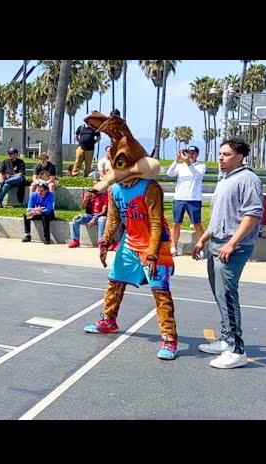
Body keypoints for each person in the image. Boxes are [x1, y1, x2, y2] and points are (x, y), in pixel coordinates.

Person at [82, 111, 178, 361]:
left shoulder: (149, 188)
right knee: (114, 281)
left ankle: (169, 338)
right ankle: (108, 321)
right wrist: (104, 242)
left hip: (154, 244)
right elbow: (114, 219)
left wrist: (153, 253)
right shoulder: (115, 189)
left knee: (160, 291)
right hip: (129, 243)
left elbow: (156, 223)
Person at [192, 138, 264, 369]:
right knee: (221, 295)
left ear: (240, 156)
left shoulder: (248, 179)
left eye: (226, 154)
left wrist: (232, 243)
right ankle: (226, 340)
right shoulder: (226, 179)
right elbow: (219, 217)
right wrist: (203, 238)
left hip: (232, 248)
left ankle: (237, 351)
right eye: (220, 154)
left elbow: (253, 215)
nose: (220, 158)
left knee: (228, 296)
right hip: (217, 244)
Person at [166, 145, 205, 256]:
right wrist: (176, 160)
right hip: (179, 198)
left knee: (197, 224)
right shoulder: (180, 165)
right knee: (176, 224)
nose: (190, 154)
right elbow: (169, 173)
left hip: (194, 199)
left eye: (193, 152)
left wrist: (188, 162)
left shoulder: (201, 166)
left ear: (197, 154)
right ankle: (173, 247)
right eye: (189, 152)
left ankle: (200, 248)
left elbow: (197, 175)